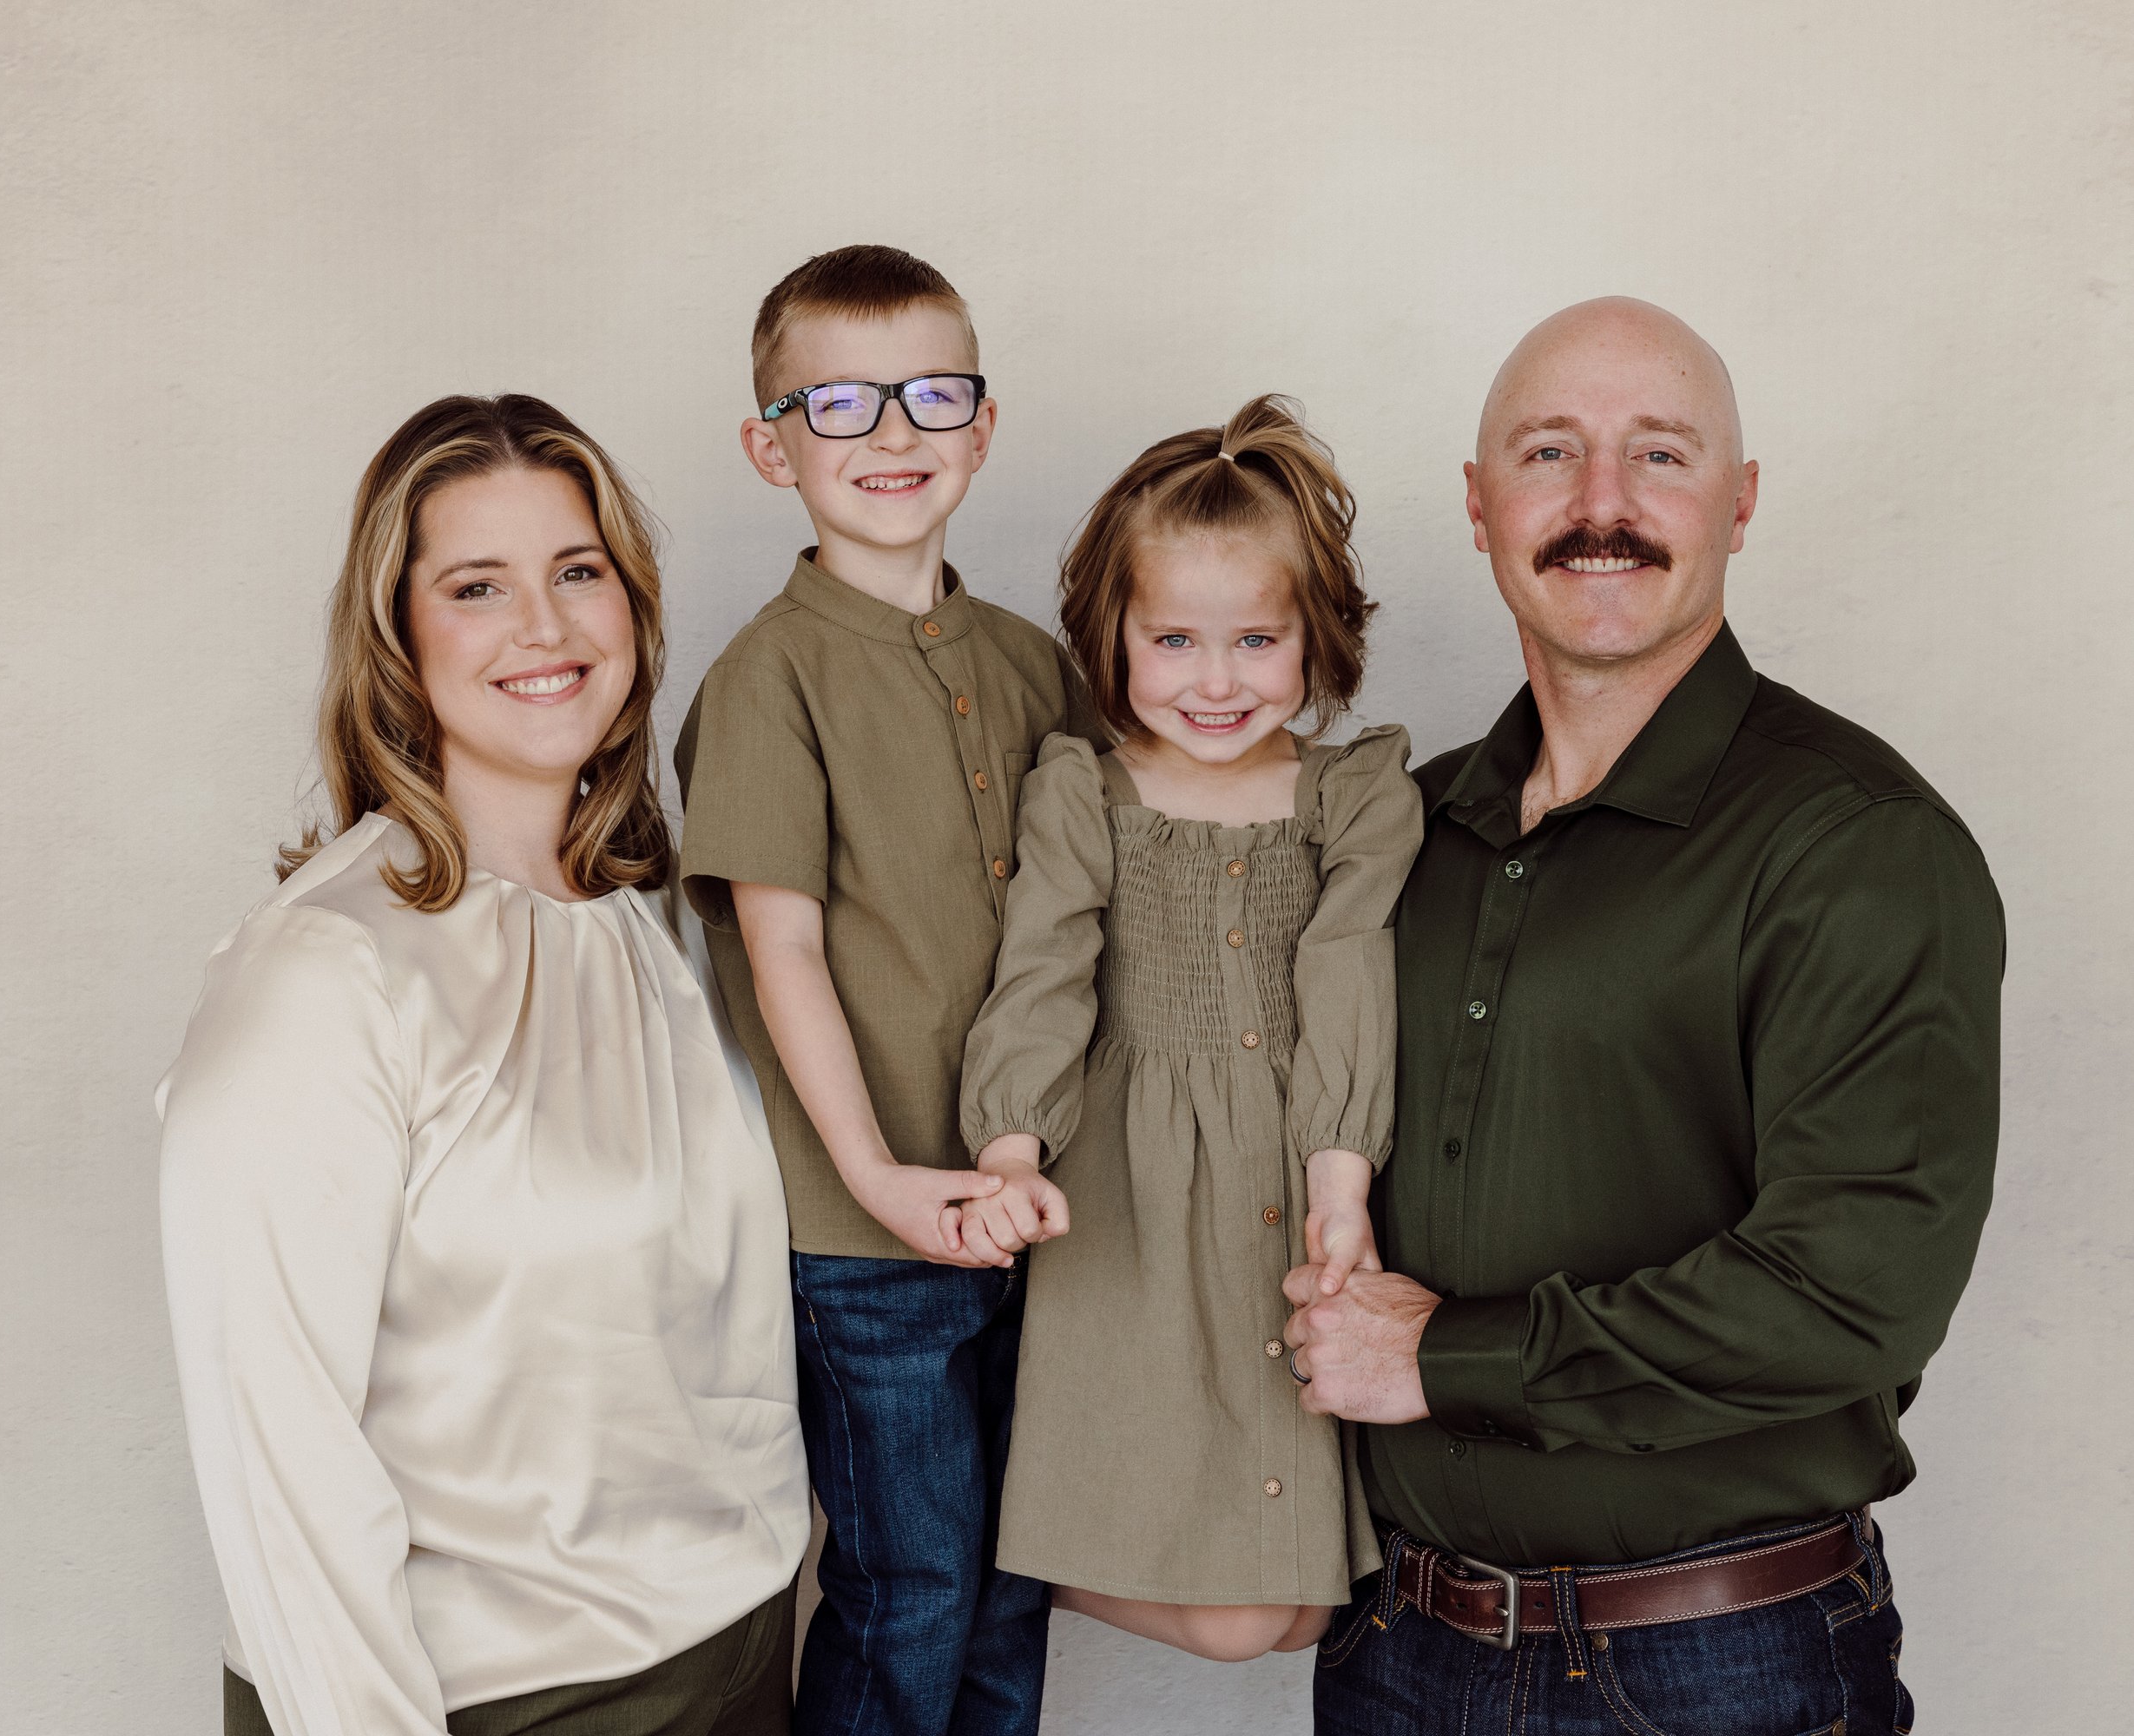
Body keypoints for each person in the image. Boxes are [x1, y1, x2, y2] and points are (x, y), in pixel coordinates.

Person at [1284, 298, 2003, 1735]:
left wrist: (1439, 1356)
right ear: (1480, 507)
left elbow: (1853, 1288)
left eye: (1660, 455)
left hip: (1716, 1668)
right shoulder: (1393, 834)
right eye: (1549, 453)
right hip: (1397, 1649)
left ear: (1740, 504)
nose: (1600, 505)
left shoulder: (1855, 843)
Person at [159, 395, 808, 1736]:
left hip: (737, 1664)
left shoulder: (672, 924)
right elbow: (278, 1456)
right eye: (476, 586)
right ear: (397, 640)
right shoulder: (326, 973)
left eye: (578, 571)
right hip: (483, 1702)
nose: (544, 628)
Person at [672, 246, 1100, 1736]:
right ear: (770, 446)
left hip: (1024, 1214)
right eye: (841, 403)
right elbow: (780, 950)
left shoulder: (1036, 667)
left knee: (1010, 1584)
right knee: (910, 1583)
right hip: (865, 1238)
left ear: (984, 425)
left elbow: (1084, 929)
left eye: (931, 394)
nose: (894, 434)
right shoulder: (768, 678)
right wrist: (873, 1176)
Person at [955, 395, 1421, 1660]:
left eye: (1257, 639)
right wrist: (1009, 1150)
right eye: (1172, 640)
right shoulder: (1084, 791)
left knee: (1302, 1614)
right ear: (1111, 636)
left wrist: (1340, 1188)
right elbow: (1044, 974)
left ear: (1316, 637)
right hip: (1131, 1200)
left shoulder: (1349, 795)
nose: (1217, 683)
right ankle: (1004, 1564)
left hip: (1294, 1173)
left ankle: (1013, 1557)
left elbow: (1349, 972)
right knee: (1239, 1619)